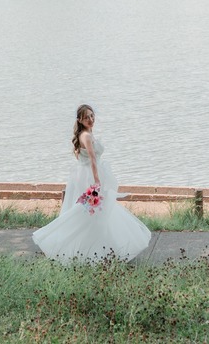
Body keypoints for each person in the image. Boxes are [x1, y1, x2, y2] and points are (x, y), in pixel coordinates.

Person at [32, 104, 151, 263]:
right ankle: (87, 248)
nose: (91, 119)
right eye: (87, 117)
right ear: (80, 120)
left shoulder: (86, 134)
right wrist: (96, 182)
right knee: (91, 211)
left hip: (85, 174)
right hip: (90, 177)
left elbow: (84, 159)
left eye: (92, 116)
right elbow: (93, 159)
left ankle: (100, 248)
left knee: (94, 212)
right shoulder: (86, 136)